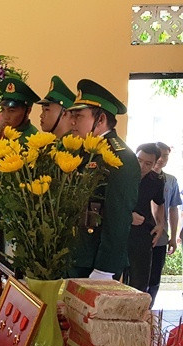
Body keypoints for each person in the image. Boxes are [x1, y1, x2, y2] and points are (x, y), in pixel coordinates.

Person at [67, 79, 141, 279]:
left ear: (100, 120)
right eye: (72, 115)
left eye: (79, 116)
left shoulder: (120, 157)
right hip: (77, 257)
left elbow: (118, 217)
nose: (72, 122)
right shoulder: (85, 151)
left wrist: (104, 270)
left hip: (96, 264)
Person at [125, 143, 165, 292]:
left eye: (148, 163)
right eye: (139, 160)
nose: (142, 166)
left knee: (139, 282)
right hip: (120, 228)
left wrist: (160, 224)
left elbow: (160, 203)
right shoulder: (121, 174)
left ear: (155, 164)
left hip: (142, 233)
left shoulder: (156, 180)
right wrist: (128, 217)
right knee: (113, 277)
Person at [148, 142, 181, 305]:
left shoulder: (171, 180)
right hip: (140, 235)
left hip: (161, 238)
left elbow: (173, 209)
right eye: (159, 155)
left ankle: (149, 310)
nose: (162, 159)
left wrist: (173, 236)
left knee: (154, 279)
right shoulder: (140, 176)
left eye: (165, 155)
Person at [0, 78, 40, 143]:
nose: (5, 117)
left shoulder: (33, 140)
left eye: (11, 111)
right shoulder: (4, 132)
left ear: (28, 110)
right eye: (3, 109)